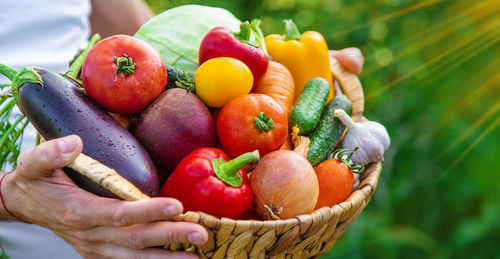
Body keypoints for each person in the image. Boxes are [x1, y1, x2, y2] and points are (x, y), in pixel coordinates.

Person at [0, 0, 364, 258]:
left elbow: (130, 25)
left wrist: (163, 60)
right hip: (35, 237)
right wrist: (13, 198)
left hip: (102, 100)